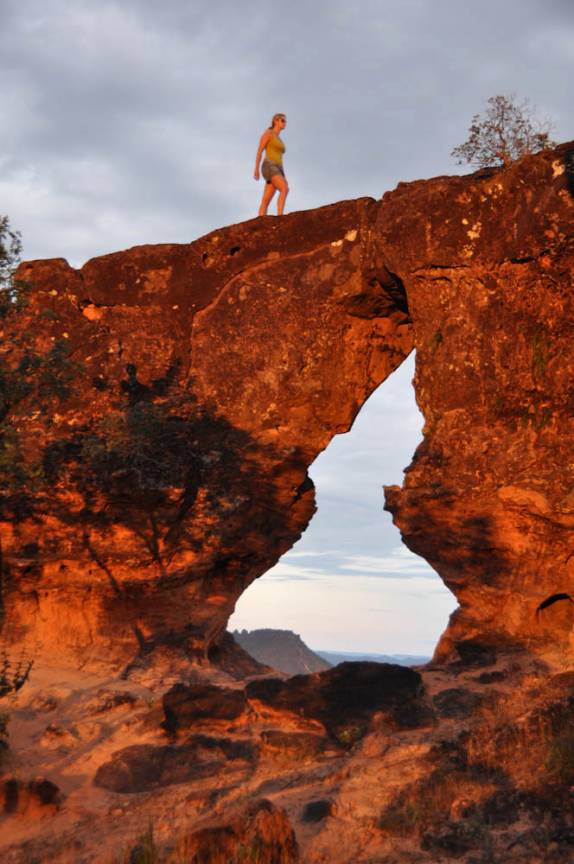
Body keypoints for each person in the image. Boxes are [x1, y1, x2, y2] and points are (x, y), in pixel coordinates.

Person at [254, 113, 289, 216]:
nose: (284, 123)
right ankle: (280, 217)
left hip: (279, 168)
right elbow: (259, 151)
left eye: (285, 121)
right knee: (284, 188)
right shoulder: (268, 133)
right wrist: (256, 169)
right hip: (269, 165)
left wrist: (282, 173)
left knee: (266, 199)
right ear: (275, 121)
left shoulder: (279, 139)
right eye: (282, 120)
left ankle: (261, 220)